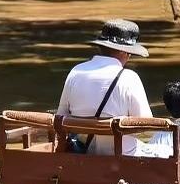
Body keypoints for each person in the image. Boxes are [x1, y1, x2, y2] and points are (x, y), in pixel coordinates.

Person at [56, 19, 152, 156]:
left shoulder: (76, 72)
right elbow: (148, 129)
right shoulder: (129, 78)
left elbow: (61, 118)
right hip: (123, 158)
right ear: (125, 52)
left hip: (84, 154)